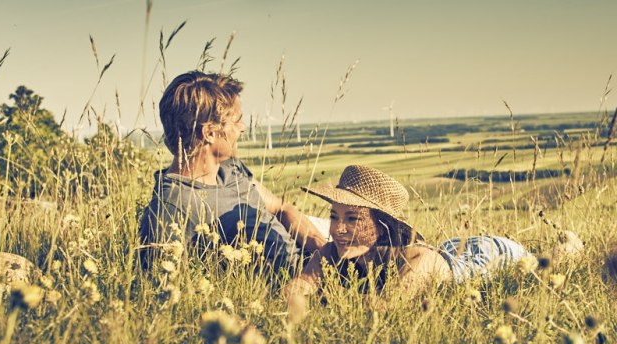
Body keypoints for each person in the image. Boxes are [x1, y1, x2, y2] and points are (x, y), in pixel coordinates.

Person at [139, 71, 326, 272]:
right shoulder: (171, 208)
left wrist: (324, 250)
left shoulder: (229, 168)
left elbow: (280, 208)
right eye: (236, 120)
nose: (243, 127)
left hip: (314, 253)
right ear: (209, 133)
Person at [283, 165, 531, 298]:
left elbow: (387, 308)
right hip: (449, 248)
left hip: (485, 257)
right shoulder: (331, 254)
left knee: (547, 259)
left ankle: (570, 244)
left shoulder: (416, 260)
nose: (338, 229)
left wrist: (327, 295)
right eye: (334, 216)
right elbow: (296, 289)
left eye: (353, 219)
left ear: (381, 225)